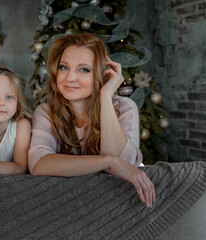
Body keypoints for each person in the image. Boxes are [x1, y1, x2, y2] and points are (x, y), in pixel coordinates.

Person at [28, 33, 155, 208]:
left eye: (84, 69)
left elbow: (126, 165)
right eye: (63, 67)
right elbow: (39, 164)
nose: (70, 77)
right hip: (67, 205)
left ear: (101, 74)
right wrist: (108, 161)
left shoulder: (125, 107)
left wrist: (105, 97)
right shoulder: (45, 111)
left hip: (117, 203)